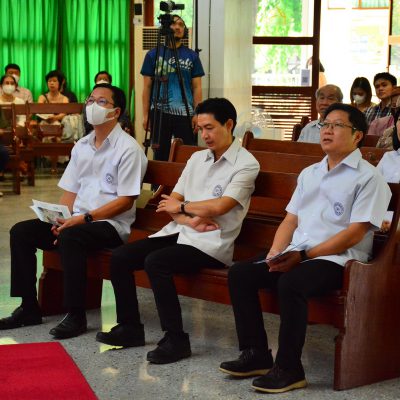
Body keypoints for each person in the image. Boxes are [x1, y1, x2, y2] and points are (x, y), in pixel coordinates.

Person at [220, 103, 391, 394]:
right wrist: (275, 253)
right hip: (299, 251)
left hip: (339, 260)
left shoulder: (368, 177)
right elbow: (291, 220)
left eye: (337, 125)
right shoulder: (310, 172)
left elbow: (354, 234)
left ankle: (289, 369)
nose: (327, 130)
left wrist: (302, 256)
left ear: (357, 136)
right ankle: (256, 354)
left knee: (291, 283)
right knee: (241, 274)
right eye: (325, 124)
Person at [96, 98, 260, 364]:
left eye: (210, 128)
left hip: (210, 243)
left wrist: (183, 208)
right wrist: (189, 219)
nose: (204, 135)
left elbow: (221, 205)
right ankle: (129, 328)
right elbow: (169, 202)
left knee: (156, 262)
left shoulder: (246, 163)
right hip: (181, 231)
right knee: (121, 257)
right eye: (200, 128)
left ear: (229, 124)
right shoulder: (197, 158)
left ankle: (176, 340)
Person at [0, 83, 148, 339]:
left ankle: (75, 314)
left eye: (101, 102)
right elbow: (70, 192)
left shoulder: (128, 149)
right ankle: (28, 307)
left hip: (110, 225)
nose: (92, 106)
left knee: (71, 236)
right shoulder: (82, 145)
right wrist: (60, 219)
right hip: (78, 221)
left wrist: (84, 219)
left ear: (116, 112)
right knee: (21, 231)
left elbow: (126, 201)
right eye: (90, 100)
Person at [141, 14, 205, 161]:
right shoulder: (152, 55)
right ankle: (161, 178)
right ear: (165, 27)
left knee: (187, 155)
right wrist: (145, 116)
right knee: (160, 155)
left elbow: (197, 88)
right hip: (159, 112)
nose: (177, 27)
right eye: (174, 24)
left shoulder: (192, 56)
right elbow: (147, 87)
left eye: (181, 25)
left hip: (185, 113)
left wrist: (198, 114)